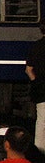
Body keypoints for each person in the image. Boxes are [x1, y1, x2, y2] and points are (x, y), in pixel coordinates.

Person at [25, 20, 45, 152]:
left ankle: (39, 151)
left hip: (42, 89)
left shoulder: (37, 46)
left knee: (42, 122)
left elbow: (28, 69)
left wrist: (36, 82)